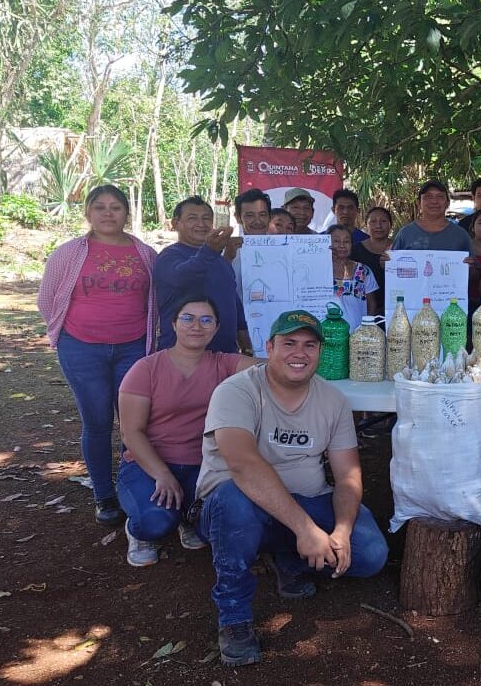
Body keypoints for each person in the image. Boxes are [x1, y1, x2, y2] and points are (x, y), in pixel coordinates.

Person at [196, 310, 389, 666]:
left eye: (309, 345)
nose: (299, 353)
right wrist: (305, 528)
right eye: (289, 343)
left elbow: (348, 475)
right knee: (232, 500)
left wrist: (342, 530)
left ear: (320, 351)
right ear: (269, 347)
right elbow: (242, 464)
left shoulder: (332, 400)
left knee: (369, 553)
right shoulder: (235, 391)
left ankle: (289, 556)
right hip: (237, 508)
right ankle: (234, 618)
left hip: (307, 501)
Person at [38, 184, 158, 526]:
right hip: (81, 349)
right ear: (88, 213)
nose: (108, 213)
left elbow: (154, 301)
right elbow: (47, 299)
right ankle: (104, 495)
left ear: (126, 213)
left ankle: (135, 486)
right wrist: (67, 334)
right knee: (98, 422)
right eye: (100, 207)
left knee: (136, 424)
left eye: (116, 207)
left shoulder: (145, 253)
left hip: (134, 347)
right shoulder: (68, 253)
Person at [117, 296, 258, 566]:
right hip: (150, 464)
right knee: (155, 521)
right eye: (188, 318)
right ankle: (138, 532)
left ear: (216, 328)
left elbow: (271, 369)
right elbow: (131, 433)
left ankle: (186, 518)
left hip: (203, 466)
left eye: (207, 320)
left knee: (213, 526)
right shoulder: (146, 369)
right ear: (173, 324)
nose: (197, 326)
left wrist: (298, 355)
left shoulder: (223, 364)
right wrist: (162, 475)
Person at [154, 196, 249, 355]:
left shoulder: (219, 259)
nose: (201, 224)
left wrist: (246, 343)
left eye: (206, 219)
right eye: (192, 218)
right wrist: (210, 251)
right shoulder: (168, 256)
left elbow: (232, 301)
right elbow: (183, 277)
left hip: (225, 356)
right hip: (183, 359)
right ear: (176, 224)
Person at [391, 180, 473, 252]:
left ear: (447, 203)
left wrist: (471, 266)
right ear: (419, 203)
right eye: (428, 197)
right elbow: (392, 265)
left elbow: (473, 268)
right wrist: (385, 262)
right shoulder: (405, 234)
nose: (434, 201)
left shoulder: (461, 235)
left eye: (440, 196)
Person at [327, 225, 379, 330]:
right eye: (336, 241)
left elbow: (372, 304)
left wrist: (366, 329)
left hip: (357, 335)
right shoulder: (319, 271)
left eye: (346, 242)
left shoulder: (364, 271)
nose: (342, 245)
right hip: (327, 335)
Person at [348, 205, 394, 316]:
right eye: (373, 221)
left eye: (383, 221)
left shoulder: (399, 249)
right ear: (366, 225)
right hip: (364, 312)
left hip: (394, 310)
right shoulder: (354, 251)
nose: (378, 226)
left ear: (390, 225)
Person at [229, 189, 272, 301]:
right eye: (249, 215)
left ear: (269, 217)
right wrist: (226, 259)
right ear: (238, 218)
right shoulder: (230, 251)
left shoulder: (285, 249)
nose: (257, 221)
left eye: (262, 215)